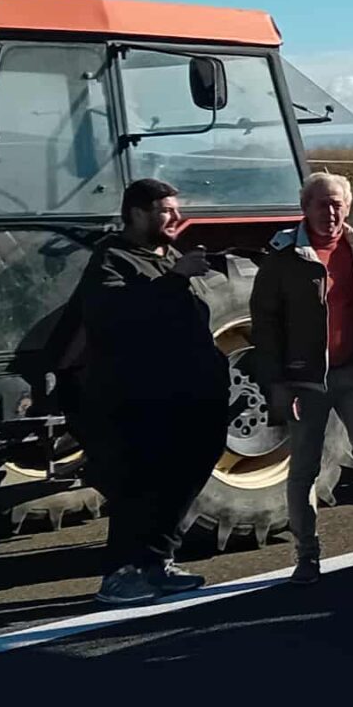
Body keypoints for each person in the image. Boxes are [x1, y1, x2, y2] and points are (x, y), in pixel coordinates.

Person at [71, 178, 234, 607]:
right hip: (139, 399)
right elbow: (115, 318)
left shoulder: (170, 257)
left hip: (191, 399)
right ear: (138, 213)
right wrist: (174, 280)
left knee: (181, 480)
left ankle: (158, 562)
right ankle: (120, 574)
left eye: (175, 209)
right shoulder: (112, 260)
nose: (176, 218)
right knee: (138, 485)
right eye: (165, 211)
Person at [251, 171, 353, 581]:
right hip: (306, 380)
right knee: (304, 469)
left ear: (349, 208)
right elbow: (264, 327)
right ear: (305, 209)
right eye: (321, 203)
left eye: (337, 203)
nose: (330, 211)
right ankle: (307, 557)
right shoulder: (282, 258)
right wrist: (277, 384)